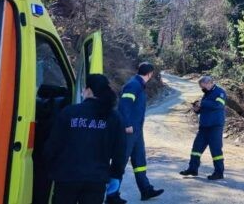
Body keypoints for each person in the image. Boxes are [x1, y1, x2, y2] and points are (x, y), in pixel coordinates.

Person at [44, 74, 126, 204]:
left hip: (66, 177)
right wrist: (116, 175)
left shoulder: (69, 112)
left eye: (84, 89)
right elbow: (120, 152)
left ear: (89, 90)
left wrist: (49, 169)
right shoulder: (114, 117)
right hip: (96, 179)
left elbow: (53, 145)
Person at [106, 63, 164, 203]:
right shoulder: (133, 85)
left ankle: (146, 190)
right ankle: (112, 195)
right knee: (120, 162)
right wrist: (127, 125)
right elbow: (124, 105)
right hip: (129, 130)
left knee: (140, 161)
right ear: (150, 74)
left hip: (137, 131)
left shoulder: (138, 85)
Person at [179, 76, 227, 180]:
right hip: (204, 127)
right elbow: (203, 109)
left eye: (203, 86)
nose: (202, 88)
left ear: (209, 83)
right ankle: (193, 169)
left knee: (216, 150)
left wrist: (203, 103)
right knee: (196, 148)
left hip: (215, 126)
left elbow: (218, 105)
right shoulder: (206, 94)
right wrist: (196, 109)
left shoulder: (220, 92)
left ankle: (219, 173)